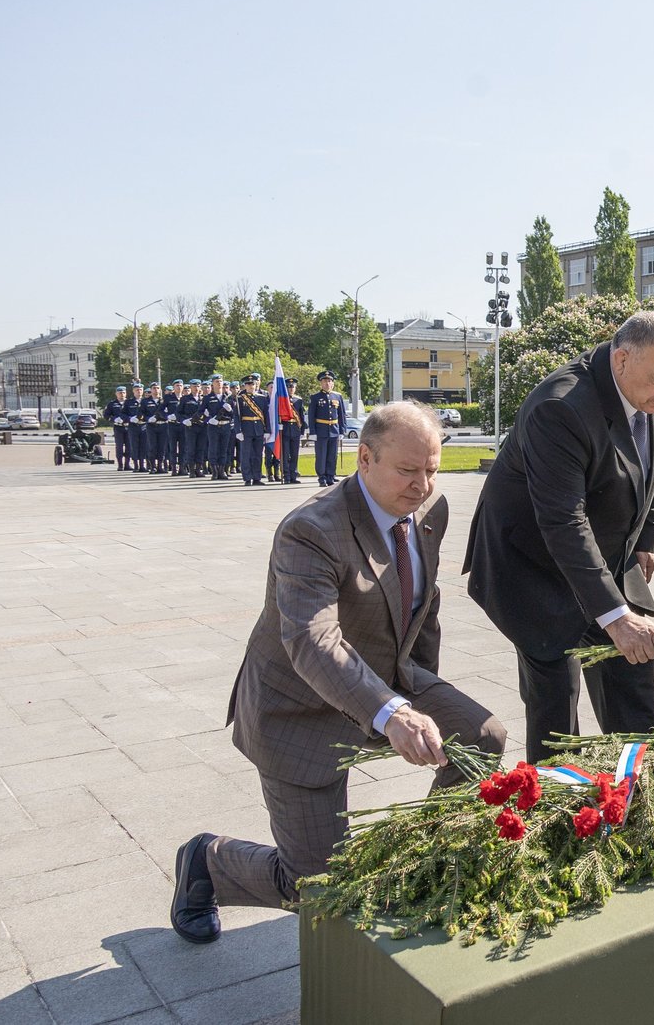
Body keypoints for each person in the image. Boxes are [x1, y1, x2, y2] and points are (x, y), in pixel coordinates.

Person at [170, 402, 506, 943]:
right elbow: (311, 639)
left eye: (432, 470)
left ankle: (418, 866)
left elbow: (423, 602)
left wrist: (419, 692)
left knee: (482, 736)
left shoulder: (428, 508)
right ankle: (208, 862)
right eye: (408, 471)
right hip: (297, 708)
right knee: (320, 888)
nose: (422, 486)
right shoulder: (311, 529)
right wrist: (394, 713)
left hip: (384, 678)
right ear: (364, 458)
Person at [463, 311, 654, 761]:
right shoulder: (560, 407)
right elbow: (564, 520)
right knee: (556, 707)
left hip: (603, 553)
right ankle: (555, 797)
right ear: (622, 359)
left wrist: (645, 538)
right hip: (533, 567)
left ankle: (636, 787)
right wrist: (616, 617)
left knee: (633, 680)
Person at [309, 371, 346, 488]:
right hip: (321, 431)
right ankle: (322, 477)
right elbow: (311, 416)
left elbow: (342, 415)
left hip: (334, 430)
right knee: (321, 456)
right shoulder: (315, 397)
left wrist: (342, 430)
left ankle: (330, 476)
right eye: (325, 381)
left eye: (329, 381)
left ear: (333, 383)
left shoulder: (337, 396)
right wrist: (312, 432)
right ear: (321, 383)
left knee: (332, 456)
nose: (327, 383)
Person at [235, 374, 268, 486]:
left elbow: (266, 415)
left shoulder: (262, 398)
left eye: (252, 384)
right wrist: (238, 431)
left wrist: (267, 430)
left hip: (259, 429)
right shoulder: (240, 399)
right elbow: (237, 416)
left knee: (258, 455)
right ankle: (247, 477)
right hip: (246, 429)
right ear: (245, 386)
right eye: (248, 384)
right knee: (246, 455)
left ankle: (257, 477)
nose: (251, 386)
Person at [202, 375, 235, 480]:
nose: (219, 383)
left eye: (220, 381)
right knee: (213, 449)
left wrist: (230, 410)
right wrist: (208, 419)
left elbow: (235, 415)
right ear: (212, 384)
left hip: (225, 425)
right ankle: (214, 471)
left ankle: (222, 470)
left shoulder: (229, 398)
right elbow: (200, 412)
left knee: (224, 449)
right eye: (217, 381)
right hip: (213, 426)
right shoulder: (207, 398)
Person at [280, 378, 305, 484]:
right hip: (285, 429)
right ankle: (286, 476)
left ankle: (293, 475)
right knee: (285, 455)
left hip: (295, 429)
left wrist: (302, 430)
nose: (291, 389)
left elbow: (301, 416)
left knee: (294, 454)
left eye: (293, 387)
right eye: (289, 387)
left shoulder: (298, 400)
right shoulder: (281, 399)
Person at [105, 386, 131, 471]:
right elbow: (106, 415)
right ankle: (120, 465)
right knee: (119, 447)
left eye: (123, 393)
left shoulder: (130, 403)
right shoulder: (112, 404)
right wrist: (114, 419)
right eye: (120, 393)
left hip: (129, 427)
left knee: (129, 447)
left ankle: (127, 464)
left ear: (126, 393)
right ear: (116, 394)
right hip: (118, 427)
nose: (122, 394)